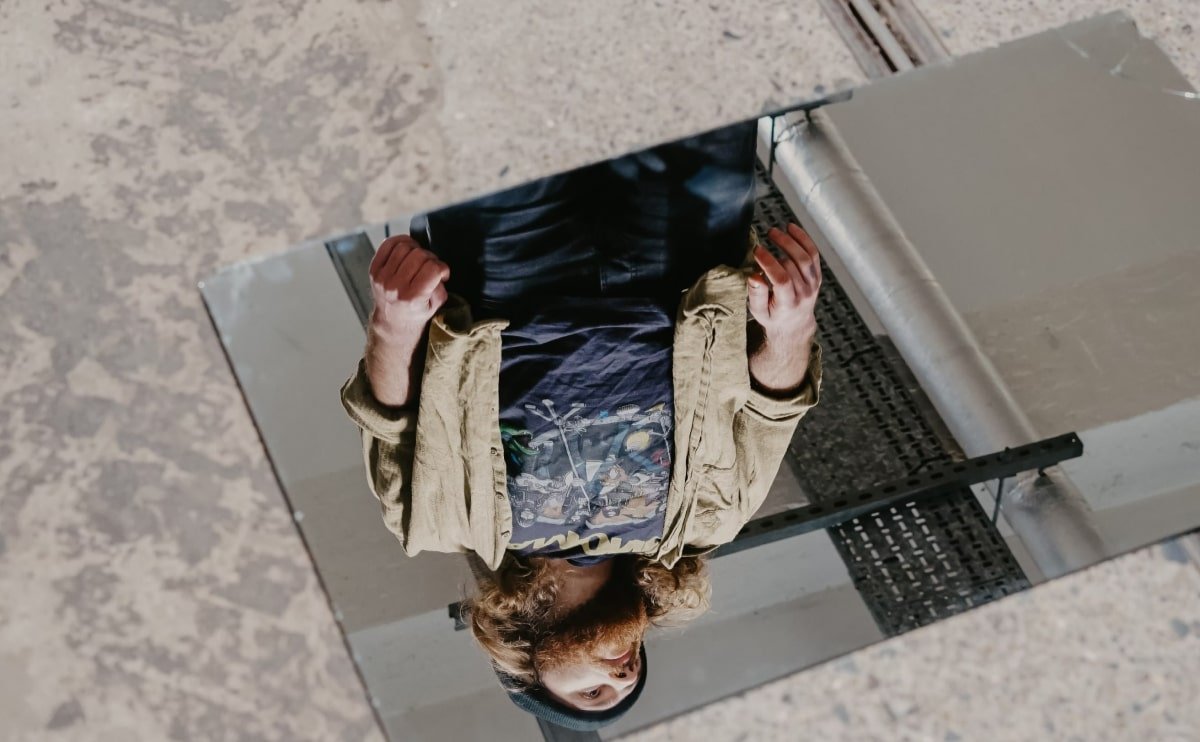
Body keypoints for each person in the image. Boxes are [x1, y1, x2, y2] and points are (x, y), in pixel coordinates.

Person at [341, 121, 822, 730]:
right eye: (632, 678)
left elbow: (388, 419)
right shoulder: (711, 519)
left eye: (594, 692)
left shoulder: (434, 522)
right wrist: (791, 329)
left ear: (525, 665)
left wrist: (393, 326)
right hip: (684, 261)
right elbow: (773, 408)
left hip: (505, 275)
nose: (622, 675)